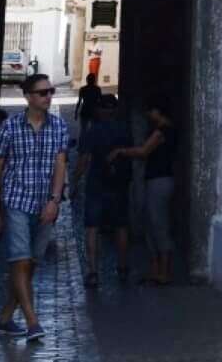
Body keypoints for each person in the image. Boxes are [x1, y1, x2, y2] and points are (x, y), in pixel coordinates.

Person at [0, 72, 70, 345]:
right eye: (43, 92)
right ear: (28, 97)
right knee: (20, 259)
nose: (48, 97)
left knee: (30, 263)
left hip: (45, 204)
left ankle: (5, 318)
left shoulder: (59, 126)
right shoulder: (9, 127)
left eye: (50, 92)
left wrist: (55, 200)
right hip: (16, 201)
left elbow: (60, 164)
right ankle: (33, 321)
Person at [115, 97, 181, 286]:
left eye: (151, 110)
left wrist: (120, 151)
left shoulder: (163, 131)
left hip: (159, 180)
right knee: (152, 223)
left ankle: (164, 272)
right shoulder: (165, 130)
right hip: (157, 179)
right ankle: (156, 270)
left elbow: (144, 151)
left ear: (158, 111)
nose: (148, 114)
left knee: (159, 223)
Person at [74, 93, 132, 287]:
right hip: (119, 183)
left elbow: (83, 161)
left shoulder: (92, 131)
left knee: (92, 227)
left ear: (99, 110)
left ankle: (93, 272)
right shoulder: (125, 130)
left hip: (96, 183)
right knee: (121, 226)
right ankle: (122, 268)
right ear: (115, 109)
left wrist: (74, 183)